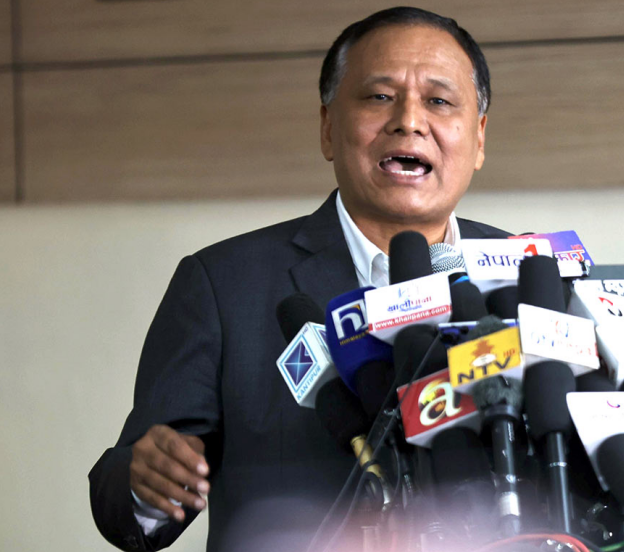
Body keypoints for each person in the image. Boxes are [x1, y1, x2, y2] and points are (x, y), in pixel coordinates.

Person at [88, 7, 509, 551]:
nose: (409, 120)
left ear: (479, 138)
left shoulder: (530, 277)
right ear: (328, 128)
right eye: (380, 96)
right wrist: (147, 484)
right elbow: (132, 488)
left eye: (439, 101)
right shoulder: (224, 286)